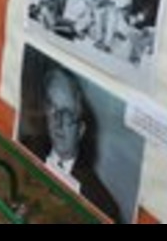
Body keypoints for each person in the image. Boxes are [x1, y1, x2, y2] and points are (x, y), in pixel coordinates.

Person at [24, 68, 121, 223]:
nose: (58, 122)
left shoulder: (102, 205)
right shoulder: (25, 147)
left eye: (67, 113)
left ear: (81, 129)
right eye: (52, 107)